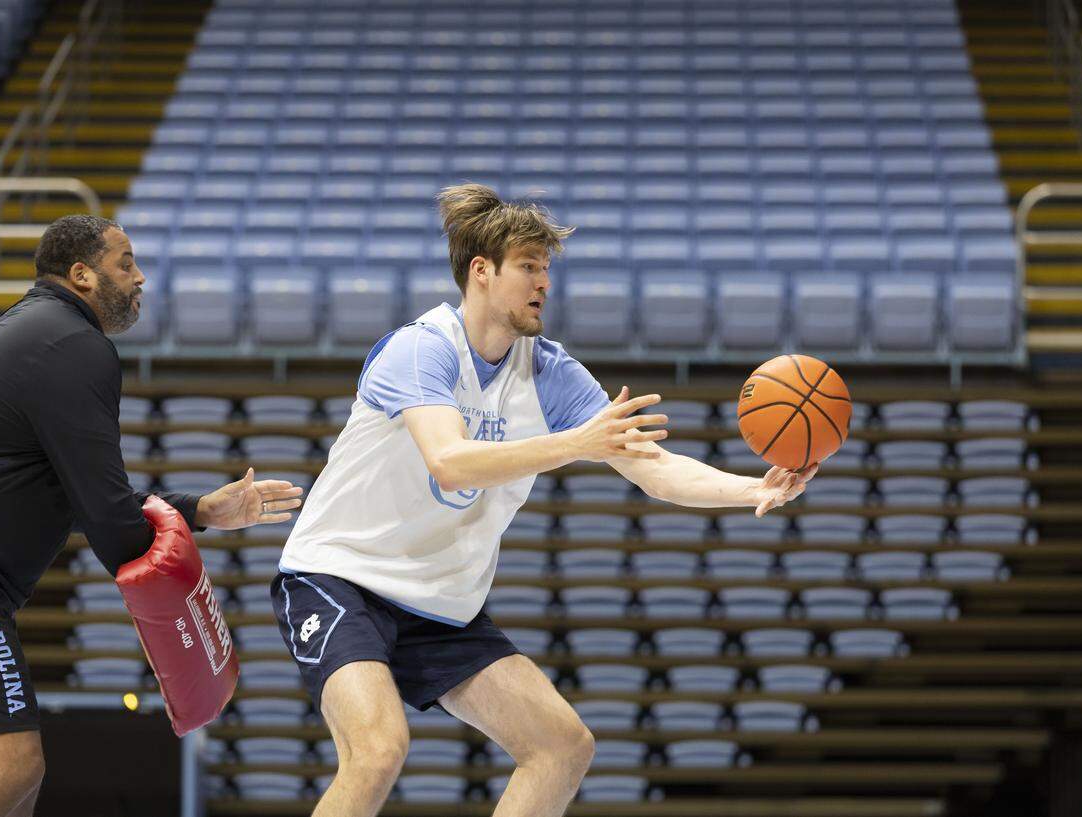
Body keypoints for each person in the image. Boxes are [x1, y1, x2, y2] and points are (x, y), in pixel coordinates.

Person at [272, 184, 817, 817]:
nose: (544, 282)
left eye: (547, 268)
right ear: (482, 271)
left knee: (562, 746)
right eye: (529, 266)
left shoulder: (550, 373)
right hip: (339, 575)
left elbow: (656, 471)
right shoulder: (422, 348)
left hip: (439, 601)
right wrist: (574, 444)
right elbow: (449, 464)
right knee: (378, 750)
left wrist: (755, 487)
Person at [0, 215, 304, 817]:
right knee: (13, 764)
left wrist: (198, 510)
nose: (140, 276)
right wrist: (187, 630)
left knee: (10, 779)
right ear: (82, 275)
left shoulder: (32, 331)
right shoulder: (75, 346)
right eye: (125, 263)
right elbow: (114, 528)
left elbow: (68, 502)